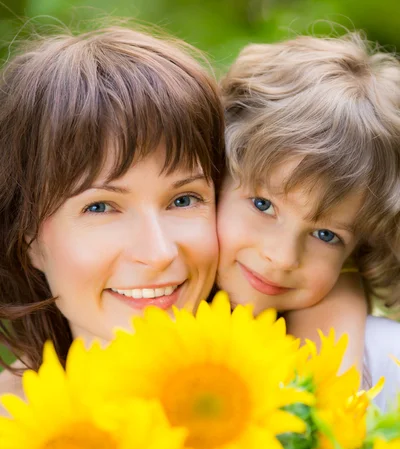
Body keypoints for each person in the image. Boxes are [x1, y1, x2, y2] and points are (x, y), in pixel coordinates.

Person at [0, 26, 369, 401]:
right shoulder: (18, 432)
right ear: (28, 236)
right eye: (100, 207)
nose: (159, 252)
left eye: (183, 200)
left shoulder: (349, 373)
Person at [216, 32, 400, 410]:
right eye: (264, 205)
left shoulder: (381, 361)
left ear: (355, 255)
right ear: (214, 173)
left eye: (325, 234)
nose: (282, 257)